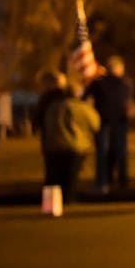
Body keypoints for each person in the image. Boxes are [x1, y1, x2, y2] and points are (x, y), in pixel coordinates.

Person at [36, 70, 99, 203]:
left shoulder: (53, 106)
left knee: (52, 177)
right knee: (70, 177)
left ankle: (50, 203)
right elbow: (95, 123)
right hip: (74, 146)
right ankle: (68, 200)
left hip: (52, 146)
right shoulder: (81, 108)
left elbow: (44, 123)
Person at [85, 56, 132, 191]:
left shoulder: (98, 83)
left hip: (103, 120)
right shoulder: (125, 83)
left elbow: (85, 96)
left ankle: (103, 180)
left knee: (102, 153)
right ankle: (123, 181)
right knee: (120, 152)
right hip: (119, 121)